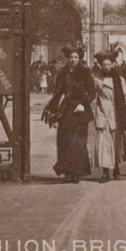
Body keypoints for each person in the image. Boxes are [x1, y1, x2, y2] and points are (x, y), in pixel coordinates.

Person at [42, 45, 95, 183]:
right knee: (64, 139)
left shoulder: (85, 72)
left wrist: (83, 104)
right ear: (68, 58)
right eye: (71, 57)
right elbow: (57, 93)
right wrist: (53, 113)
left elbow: (92, 92)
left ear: (80, 58)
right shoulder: (62, 72)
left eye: (76, 57)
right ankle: (67, 172)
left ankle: (77, 173)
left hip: (81, 110)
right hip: (66, 109)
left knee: (78, 142)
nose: (73, 59)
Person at [92, 51, 126, 182]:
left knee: (116, 143)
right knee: (104, 143)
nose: (106, 67)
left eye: (109, 65)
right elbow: (92, 95)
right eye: (104, 65)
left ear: (113, 64)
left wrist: (124, 112)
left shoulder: (119, 79)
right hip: (103, 112)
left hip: (117, 113)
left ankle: (116, 167)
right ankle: (105, 172)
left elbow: (125, 97)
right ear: (101, 66)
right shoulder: (97, 79)